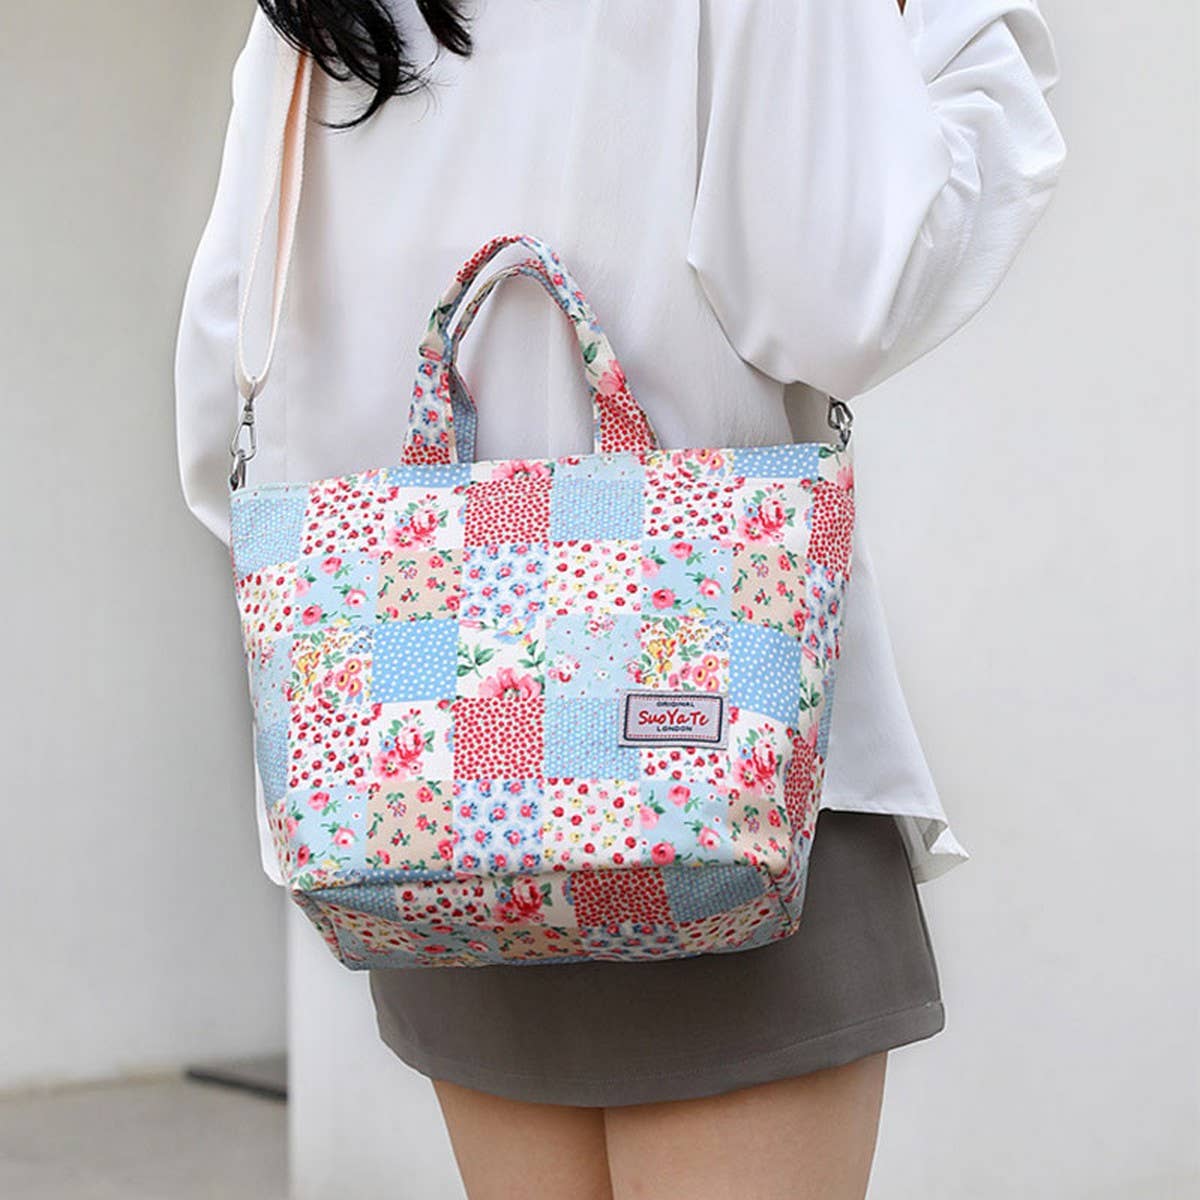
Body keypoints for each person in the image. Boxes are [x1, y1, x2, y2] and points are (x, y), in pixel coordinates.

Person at [174, 2, 1065, 1196]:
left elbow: (225, 414)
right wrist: (970, 41)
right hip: (718, 771)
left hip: (436, 818)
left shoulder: (308, 30)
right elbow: (840, 295)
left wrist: (468, 600)